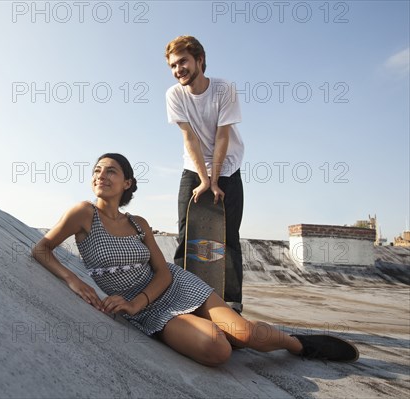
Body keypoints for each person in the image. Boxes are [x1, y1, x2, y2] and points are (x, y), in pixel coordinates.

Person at [32, 153, 358, 366]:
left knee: (245, 335)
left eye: (111, 171)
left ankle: (299, 345)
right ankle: (230, 330)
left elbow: (162, 272)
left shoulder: (138, 223)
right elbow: (42, 249)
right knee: (219, 350)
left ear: (127, 183)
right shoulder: (83, 214)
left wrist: (136, 301)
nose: (101, 175)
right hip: (148, 311)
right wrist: (73, 279)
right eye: (97, 170)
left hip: (174, 287)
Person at [165, 35, 245, 314]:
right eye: (173, 66)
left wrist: (216, 180)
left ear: (199, 59)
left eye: (183, 61)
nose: (178, 70)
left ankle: (232, 302)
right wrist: (203, 180)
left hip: (228, 167)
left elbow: (222, 137)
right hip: (194, 168)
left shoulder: (223, 89)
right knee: (186, 233)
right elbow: (190, 138)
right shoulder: (174, 95)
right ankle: (178, 296)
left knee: (229, 237)